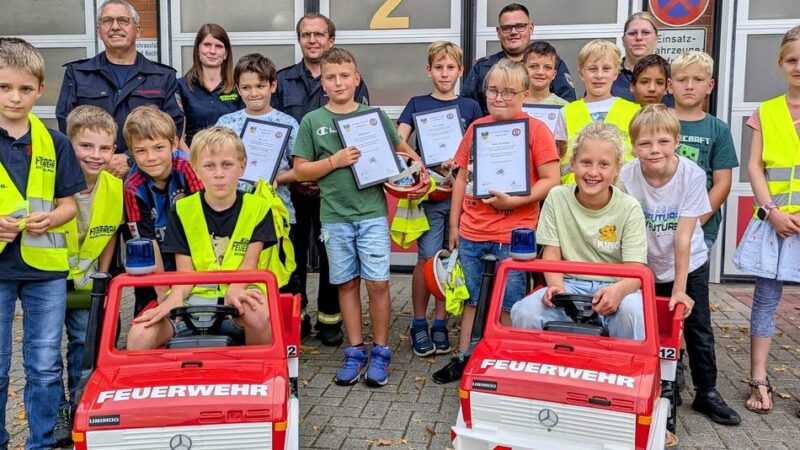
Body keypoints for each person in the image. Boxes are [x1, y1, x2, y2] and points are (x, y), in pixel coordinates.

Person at [292, 48, 428, 387]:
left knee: (379, 283)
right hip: (335, 217)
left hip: (371, 213)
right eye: (330, 77)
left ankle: (381, 350)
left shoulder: (374, 117)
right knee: (346, 282)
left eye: (344, 76)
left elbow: (401, 150)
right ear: (322, 82)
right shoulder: (313, 121)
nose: (338, 82)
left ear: (357, 79)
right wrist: (333, 162)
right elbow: (299, 169)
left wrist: (417, 168)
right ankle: (355, 351)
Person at [433, 59, 560, 384]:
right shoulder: (477, 128)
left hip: (514, 236)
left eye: (508, 92)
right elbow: (461, 178)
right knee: (471, 298)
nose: (500, 98)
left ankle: (507, 360)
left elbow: (551, 179)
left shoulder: (537, 130)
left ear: (524, 94)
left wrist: (514, 201)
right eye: (493, 91)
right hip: (473, 232)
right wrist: (455, 226)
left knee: (511, 302)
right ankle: (464, 357)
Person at [620, 105, 739, 435]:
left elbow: (684, 237)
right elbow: (627, 228)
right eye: (645, 143)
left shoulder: (691, 174)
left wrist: (680, 289)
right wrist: (637, 273)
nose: (654, 150)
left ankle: (707, 392)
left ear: (676, 141)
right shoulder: (627, 175)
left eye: (662, 141)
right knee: (647, 329)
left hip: (689, 265)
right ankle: (654, 386)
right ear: (633, 146)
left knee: (698, 328)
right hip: (645, 262)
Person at [0, 37, 85, 450]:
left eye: (24, 88)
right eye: (4, 87)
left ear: (40, 88)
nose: (15, 97)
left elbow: (69, 204)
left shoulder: (56, 141)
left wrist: (52, 217)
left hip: (45, 270)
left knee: (45, 365)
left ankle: (42, 442)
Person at [126, 126, 275, 350]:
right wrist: (175, 298)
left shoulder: (259, 207)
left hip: (239, 294)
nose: (218, 173)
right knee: (139, 335)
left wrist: (235, 290)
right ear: (195, 169)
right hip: (193, 300)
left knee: (258, 315)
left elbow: (249, 266)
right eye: (209, 166)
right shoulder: (182, 210)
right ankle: (157, 383)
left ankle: (256, 377)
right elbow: (184, 274)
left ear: (242, 166)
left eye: (227, 164)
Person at [273, 13, 370, 346]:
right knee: (293, 252)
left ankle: (331, 320)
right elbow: (275, 133)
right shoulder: (281, 80)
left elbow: (360, 130)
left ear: (331, 39)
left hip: (336, 185)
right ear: (298, 39)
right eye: (305, 34)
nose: (312, 40)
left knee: (334, 255)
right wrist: (296, 175)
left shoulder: (349, 78)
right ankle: (296, 317)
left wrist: (324, 171)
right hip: (292, 185)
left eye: (319, 34)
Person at [510, 122, 651, 342]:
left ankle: (624, 371)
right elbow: (551, 252)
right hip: (569, 283)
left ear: (616, 170)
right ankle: (540, 368)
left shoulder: (629, 207)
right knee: (524, 312)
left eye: (604, 164)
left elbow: (635, 270)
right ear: (573, 164)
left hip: (614, 286)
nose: (593, 172)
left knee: (634, 314)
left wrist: (618, 291)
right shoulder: (557, 197)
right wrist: (556, 287)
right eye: (586, 162)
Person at [396, 41, 482, 357]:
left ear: (460, 70)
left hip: (461, 196)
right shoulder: (417, 103)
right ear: (428, 70)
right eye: (438, 67)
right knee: (426, 259)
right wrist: (418, 159)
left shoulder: (471, 106)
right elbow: (397, 139)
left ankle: (440, 322)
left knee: (449, 261)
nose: (444, 74)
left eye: (450, 67)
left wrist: (460, 160)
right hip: (430, 195)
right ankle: (419, 322)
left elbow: (478, 147)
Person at [733, 25, 800, 416]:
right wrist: (771, 210)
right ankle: (759, 377)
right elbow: (755, 166)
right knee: (766, 300)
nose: (798, 67)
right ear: (780, 63)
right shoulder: (767, 111)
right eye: (792, 60)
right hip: (775, 221)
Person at [53, 106, 123, 447]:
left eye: (105, 148)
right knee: (47, 350)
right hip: (49, 279)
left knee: (84, 345)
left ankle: (81, 406)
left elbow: (110, 233)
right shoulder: (52, 182)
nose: (96, 156)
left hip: (86, 282)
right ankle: (56, 411)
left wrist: (104, 276)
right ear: (69, 144)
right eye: (86, 146)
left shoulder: (113, 186)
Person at [56, 0, 184, 177]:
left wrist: (130, 158)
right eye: (107, 21)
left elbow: (173, 125)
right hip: (92, 175)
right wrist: (102, 156)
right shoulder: (78, 73)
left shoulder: (162, 76)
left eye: (123, 20)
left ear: (137, 30)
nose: (115, 26)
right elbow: (66, 123)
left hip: (144, 175)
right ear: (99, 31)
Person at [123, 106, 203, 316]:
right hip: (158, 257)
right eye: (141, 150)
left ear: (174, 144)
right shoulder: (133, 187)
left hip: (195, 252)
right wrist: (161, 292)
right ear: (131, 152)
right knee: (150, 307)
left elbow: (204, 222)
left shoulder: (187, 168)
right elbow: (147, 242)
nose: (151, 157)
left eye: (159, 147)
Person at [671, 51, 738, 254]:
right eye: (682, 79)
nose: (689, 86)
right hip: (656, 222)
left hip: (701, 226)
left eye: (698, 79)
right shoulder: (657, 121)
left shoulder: (718, 129)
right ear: (669, 84)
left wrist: (697, 220)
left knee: (694, 284)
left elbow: (723, 183)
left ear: (710, 86)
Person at [462, 3, 576, 116]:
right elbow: (468, 112)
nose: (514, 32)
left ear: (530, 28)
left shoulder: (554, 64)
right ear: (498, 32)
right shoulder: (481, 68)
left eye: (520, 26)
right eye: (507, 28)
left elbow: (568, 109)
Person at [560, 39, 640, 184]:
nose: (599, 75)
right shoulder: (567, 112)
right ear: (581, 73)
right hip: (574, 195)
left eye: (606, 69)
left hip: (620, 196)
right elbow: (558, 159)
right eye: (592, 69)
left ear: (616, 73)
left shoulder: (633, 111)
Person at [177, 23, 244, 150]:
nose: (212, 51)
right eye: (207, 45)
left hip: (231, 156)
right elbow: (176, 134)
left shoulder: (238, 86)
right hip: (194, 158)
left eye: (219, 46)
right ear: (198, 50)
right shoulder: (181, 86)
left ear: (225, 54)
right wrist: (191, 160)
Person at [612, 11, 674, 106]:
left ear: (657, 38)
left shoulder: (672, 76)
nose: (639, 38)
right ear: (623, 40)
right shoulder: (609, 75)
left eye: (646, 32)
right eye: (632, 33)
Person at [523, 41, 568, 156]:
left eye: (547, 68)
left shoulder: (565, 108)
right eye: (533, 66)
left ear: (554, 74)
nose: (540, 72)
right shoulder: (514, 104)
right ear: (523, 69)